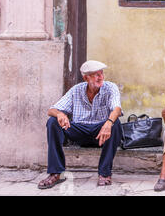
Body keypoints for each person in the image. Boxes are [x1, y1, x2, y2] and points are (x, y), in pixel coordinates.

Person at [38, 60, 123, 189]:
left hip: (101, 133)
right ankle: (56, 173)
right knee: (53, 122)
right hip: (79, 131)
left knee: (115, 123)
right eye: (96, 74)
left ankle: (105, 174)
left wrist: (108, 122)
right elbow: (51, 110)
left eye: (101, 73)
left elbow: (117, 108)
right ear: (86, 78)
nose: (100, 77)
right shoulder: (76, 90)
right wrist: (60, 114)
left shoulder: (110, 87)